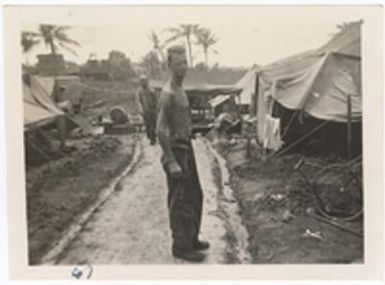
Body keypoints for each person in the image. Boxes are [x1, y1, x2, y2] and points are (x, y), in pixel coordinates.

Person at [156, 45, 209, 262]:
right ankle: (181, 246)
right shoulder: (168, 93)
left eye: (185, 62)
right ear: (169, 65)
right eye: (178, 63)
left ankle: (192, 238)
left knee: (195, 195)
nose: (183, 67)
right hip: (176, 152)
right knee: (180, 201)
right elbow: (160, 129)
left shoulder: (181, 90)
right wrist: (170, 160)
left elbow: (182, 120)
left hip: (186, 147)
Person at [136, 75, 158, 145]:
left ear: (147, 81)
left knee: (152, 125)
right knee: (148, 125)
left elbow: (155, 99)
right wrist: (140, 109)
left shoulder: (151, 89)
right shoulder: (139, 91)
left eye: (144, 81)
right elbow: (139, 101)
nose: (143, 82)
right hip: (145, 110)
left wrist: (157, 108)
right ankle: (150, 136)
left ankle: (153, 139)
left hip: (152, 110)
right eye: (142, 81)